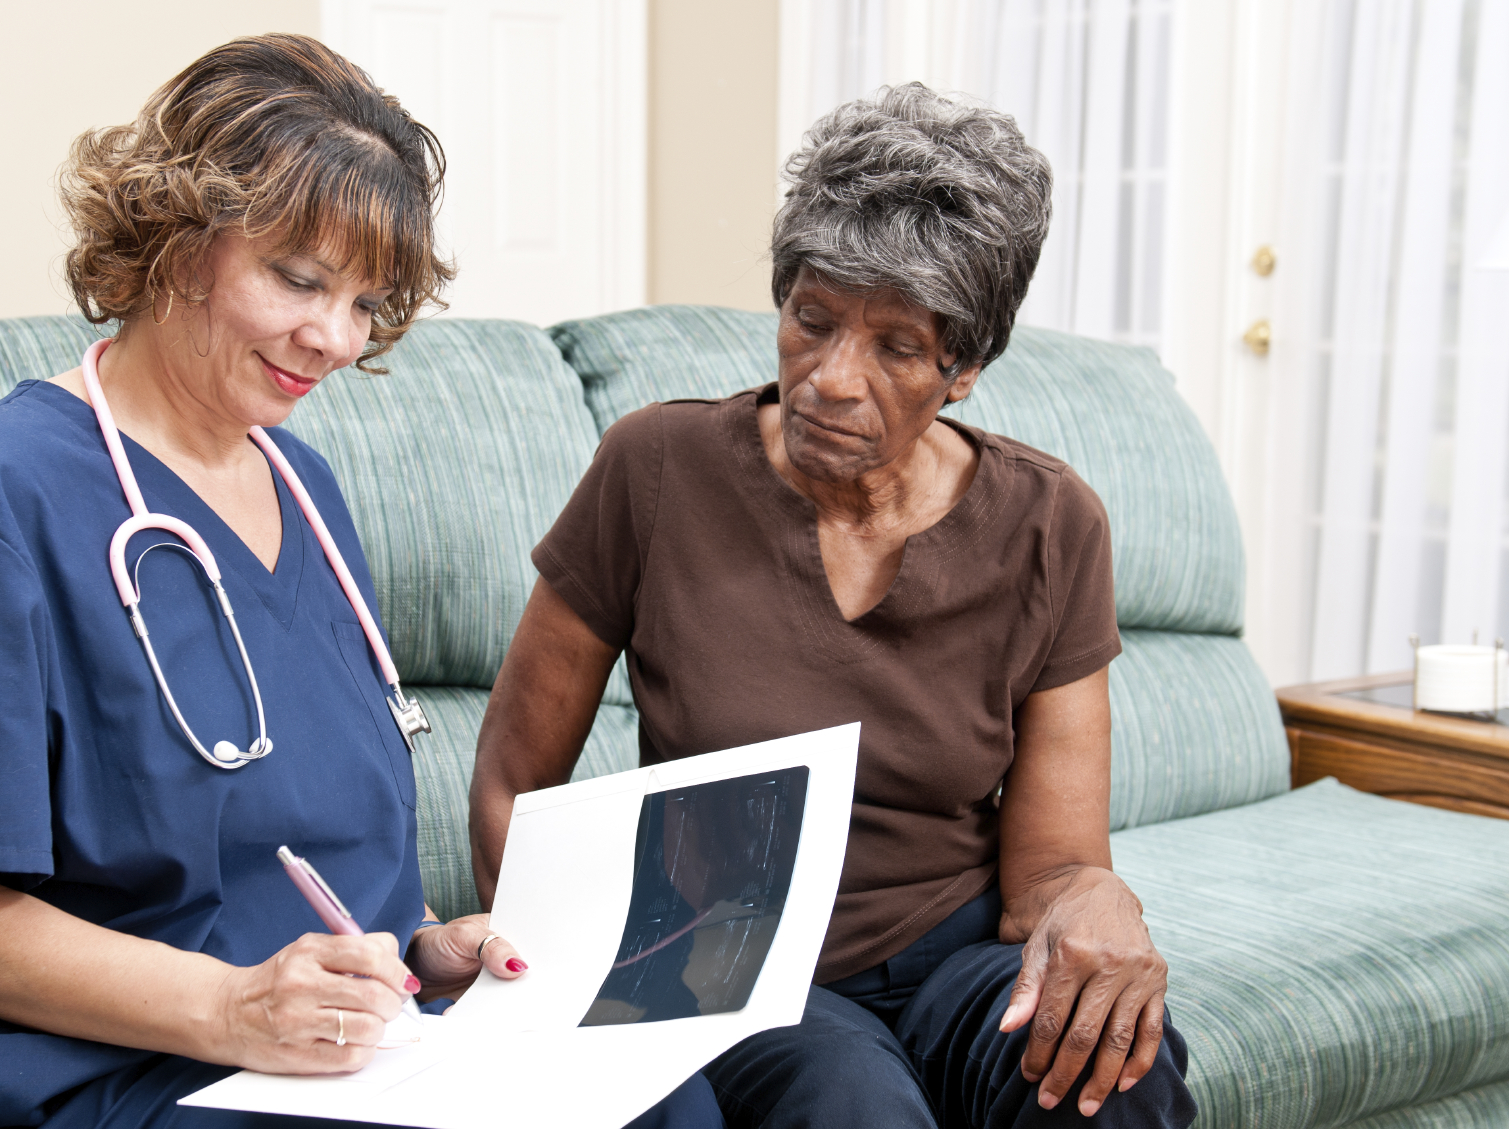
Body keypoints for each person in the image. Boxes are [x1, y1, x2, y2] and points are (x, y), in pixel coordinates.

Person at [0, 34, 721, 1129]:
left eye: (368, 304)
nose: (334, 338)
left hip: (335, 1047)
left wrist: (424, 950)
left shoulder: (307, 493)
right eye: (298, 279)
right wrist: (234, 1006)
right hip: (93, 1058)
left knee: (660, 1096)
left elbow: (293, 849)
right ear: (180, 241)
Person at [468, 84, 1200, 1128]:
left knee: (1109, 1069)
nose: (833, 380)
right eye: (811, 321)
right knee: (853, 1105)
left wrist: (1098, 899)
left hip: (959, 959)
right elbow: (510, 775)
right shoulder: (658, 468)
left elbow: (1051, 877)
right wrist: (547, 974)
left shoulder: (1052, 524)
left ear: (965, 369)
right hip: (737, 968)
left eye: (898, 348)